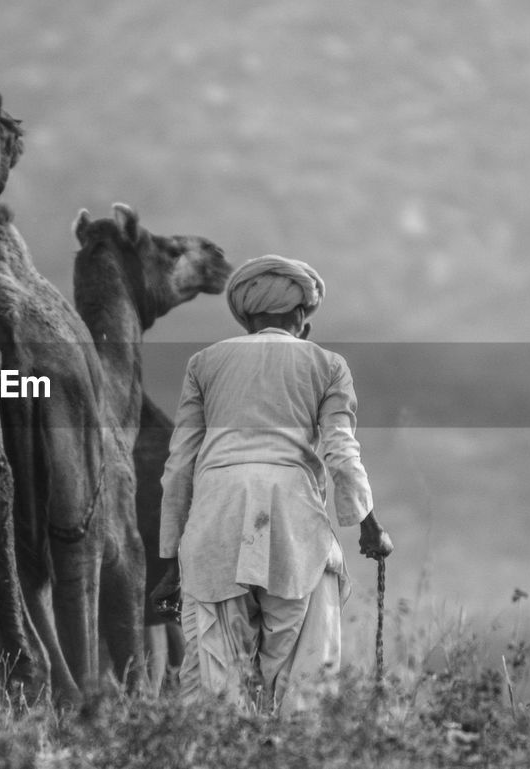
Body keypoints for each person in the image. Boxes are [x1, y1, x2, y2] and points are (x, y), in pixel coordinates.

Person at [152, 253, 393, 715]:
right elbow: (341, 452)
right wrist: (368, 526)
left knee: (217, 695)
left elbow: (179, 466)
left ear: (247, 316)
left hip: (214, 528)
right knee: (303, 688)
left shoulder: (205, 363)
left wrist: (170, 563)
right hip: (296, 530)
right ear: (302, 314)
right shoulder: (327, 365)